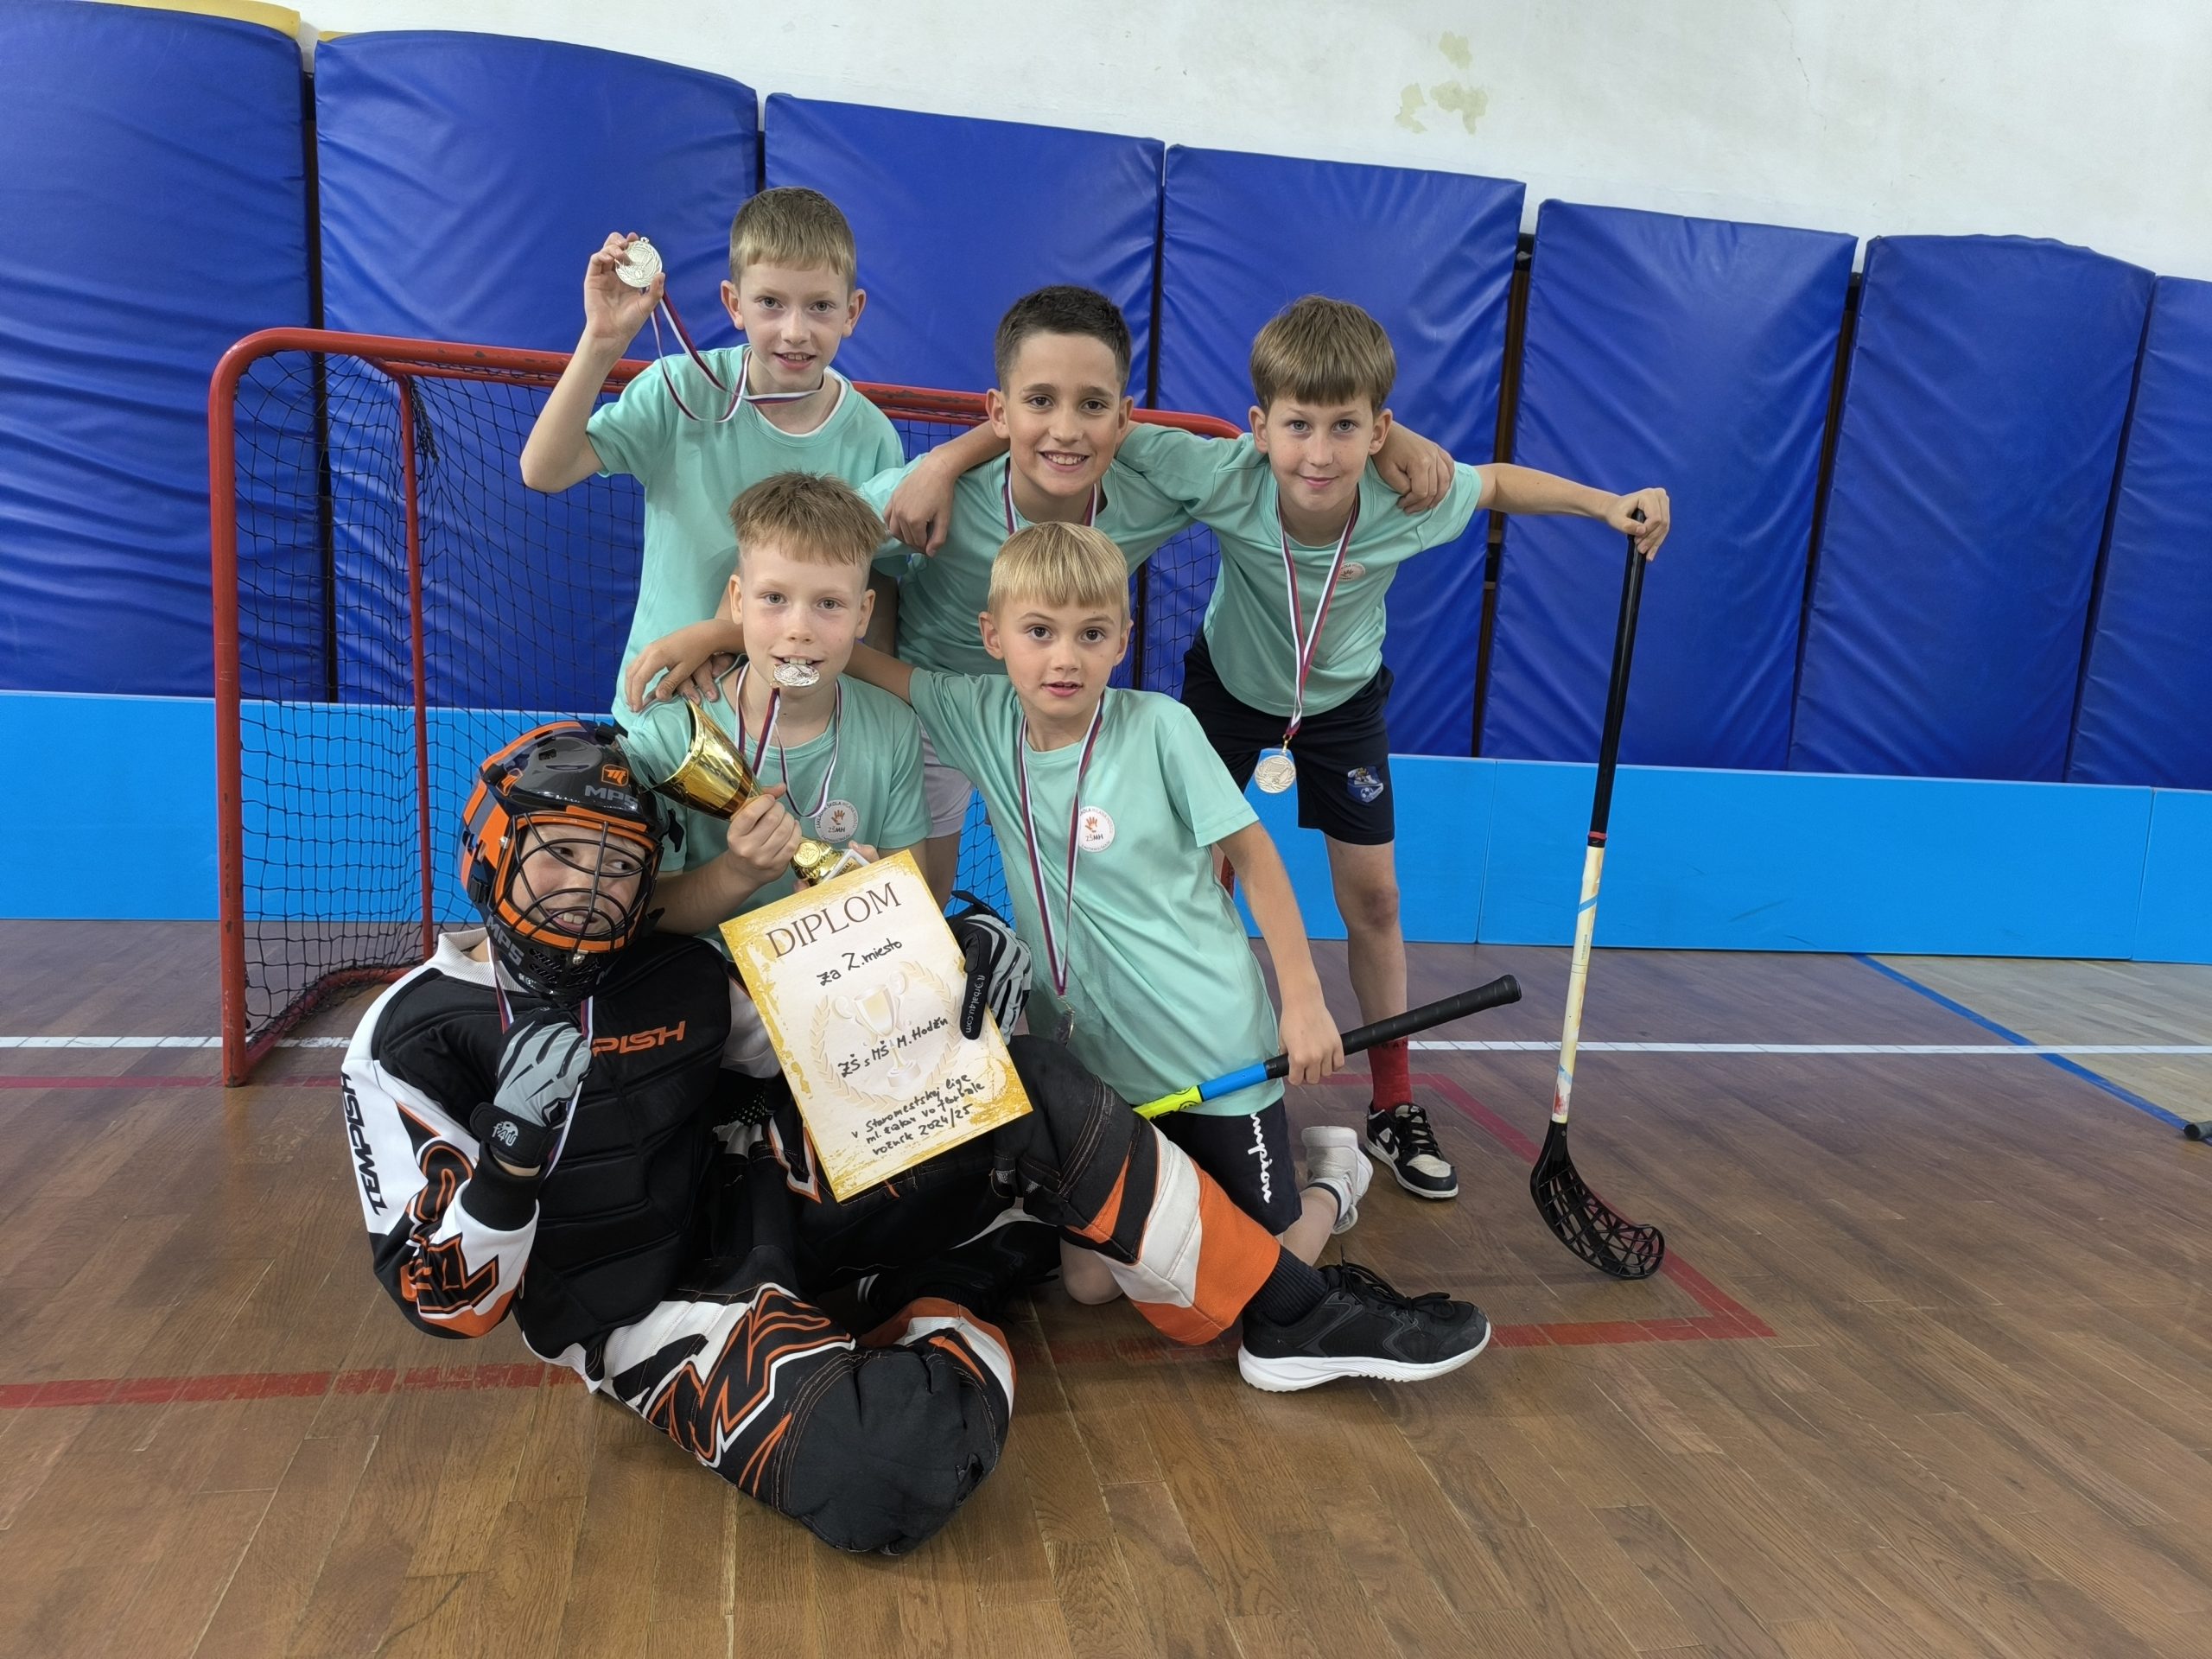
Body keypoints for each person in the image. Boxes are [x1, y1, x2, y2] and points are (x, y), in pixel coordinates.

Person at [338, 723, 1493, 1553]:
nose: (587, 888)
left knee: (1018, 1078)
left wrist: (963, 949)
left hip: (770, 1209)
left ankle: (1290, 1312)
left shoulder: (675, 970)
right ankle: (959, 1283)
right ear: (493, 848)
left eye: (617, 863)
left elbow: (847, 1029)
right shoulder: (409, 1039)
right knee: (886, 1475)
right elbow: (446, 1304)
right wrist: (510, 1163)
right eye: (561, 853)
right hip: (646, 1314)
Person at [633, 526, 1385, 1268]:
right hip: (1096, 1059)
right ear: (993, 636)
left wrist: (1303, 1002)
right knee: (1089, 1282)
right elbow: (844, 651)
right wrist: (723, 633)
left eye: (1092, 634)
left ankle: (1332, 1177)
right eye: (1039, 631)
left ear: (1123, 640)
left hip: (1213, 1041)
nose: (1064, 658)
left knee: (1269, 1271)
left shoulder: (1163, 727)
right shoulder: (981, 714)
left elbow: (1256, 859)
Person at [1112, 295, 1672, 1204]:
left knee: (1374, 898)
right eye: (1298, 425)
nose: (1319, 452)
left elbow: (1497, 483)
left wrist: (1609, 505)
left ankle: (1393, 1102)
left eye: (1345, 426)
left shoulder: (1408, 500)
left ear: (1378, 431)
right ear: (1258, 426)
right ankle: (1193, 1083)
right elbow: (1096, 428)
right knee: (1199, 884)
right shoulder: (1221, 474)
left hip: (1341, 710)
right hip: (1228, 697)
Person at [841, 284, 1458, 902]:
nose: (1066, 429)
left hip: (1063, 716)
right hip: (933, 707)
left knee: (1089, 897)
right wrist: (943, 463)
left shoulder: (1152, 493)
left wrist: (1392, 438)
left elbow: (1287, 451)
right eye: (1040, 401)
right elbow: (811, 545)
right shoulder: (930, 494)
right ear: (999, 413)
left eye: (1092, 405)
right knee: (921, 897)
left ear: (1123, 418)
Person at [517, 188, 903, 718]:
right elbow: (543, 470)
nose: (795, 331)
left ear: (851, 312)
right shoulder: (680, 390)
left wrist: (868, 717)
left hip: (797, 728)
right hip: (662, 709)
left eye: (820, 306)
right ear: (734, 304)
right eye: (770, 303)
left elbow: (874, 593)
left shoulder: (873, 437)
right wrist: (601, 342)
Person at [617, 472, 927, 946]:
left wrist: (874, 892)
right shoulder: (671, 734)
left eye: (829, 603)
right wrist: (737, 873)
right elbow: (649, 909)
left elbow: (913, 895)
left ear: (863, 613)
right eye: (774, 598)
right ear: (738, 600)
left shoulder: (894, 727)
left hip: (842, 965)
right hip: (704, 973)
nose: (799, 629)